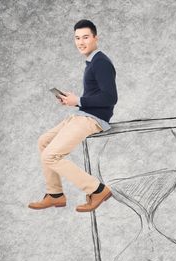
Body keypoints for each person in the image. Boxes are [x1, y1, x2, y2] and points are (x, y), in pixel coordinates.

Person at [28, 19, 117, 212]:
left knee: (51, 156)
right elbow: (95, 95)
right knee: (44, 141)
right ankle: (55, 194)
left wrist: (78, 100)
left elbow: (110, 97)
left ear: (95, 38)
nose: (81, 42)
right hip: (82, 114)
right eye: (77, 38)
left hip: (92, 119)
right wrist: (73, 100)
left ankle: (98, 189)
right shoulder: (92, 62)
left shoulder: (101, 62)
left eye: (85, 37)